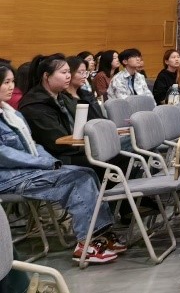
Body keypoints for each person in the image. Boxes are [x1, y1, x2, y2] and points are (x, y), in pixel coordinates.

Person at [0, 62, 125, 264]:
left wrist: (49, 161)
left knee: (86, 172)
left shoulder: (12, 114)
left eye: (12, 82)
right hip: (9, 177)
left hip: (29, 169)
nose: (11, 87)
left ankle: (99, 233)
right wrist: (42, 163)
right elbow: (5, 155)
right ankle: (86, 244)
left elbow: (33, 144)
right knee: (75, 179)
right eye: (6, 82)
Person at [64, 56, 106, 121]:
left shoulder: (87, 94)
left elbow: (99, 116)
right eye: (81, 72)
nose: (84, 76)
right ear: (69, 73)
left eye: (85, 73)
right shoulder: (63, 99)